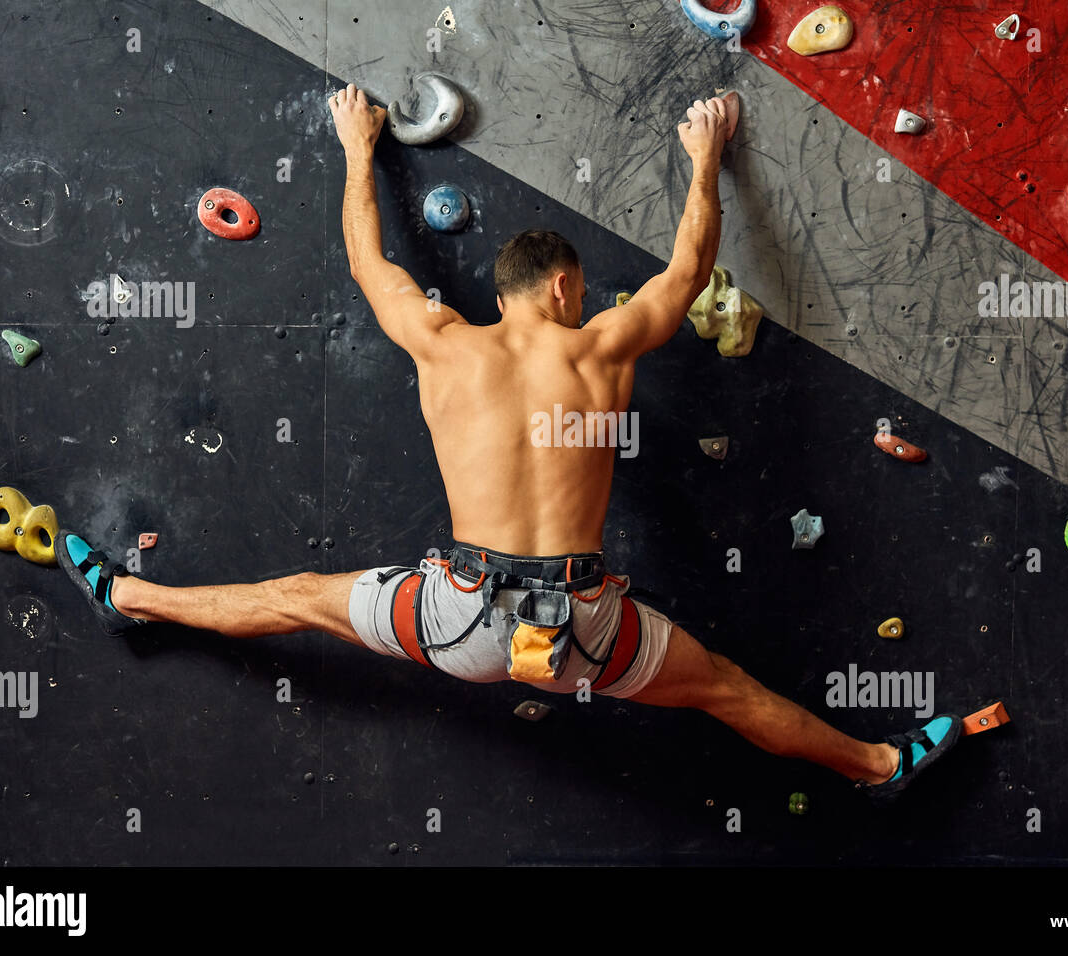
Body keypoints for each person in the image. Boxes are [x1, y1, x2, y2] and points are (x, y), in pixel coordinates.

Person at [56, 84, 959, 803]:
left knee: (298, 597)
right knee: (725, 686)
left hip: (456, 618)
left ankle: (132, 595)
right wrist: (705, 153)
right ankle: (878, 766)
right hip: (587, 633)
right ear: (566, 290)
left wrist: (358, 147)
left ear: (506, 294)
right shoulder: (603, 345)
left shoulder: (444, 343)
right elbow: (688, 270)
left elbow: (370, 262)